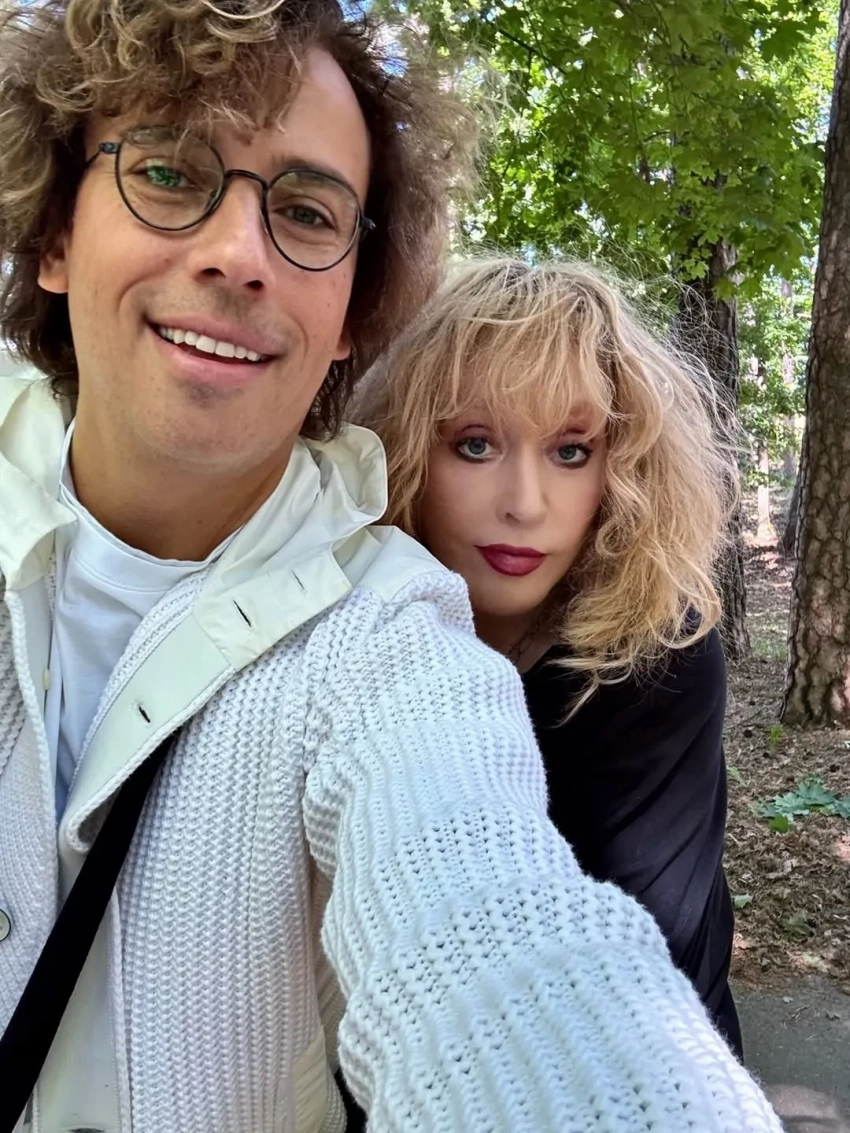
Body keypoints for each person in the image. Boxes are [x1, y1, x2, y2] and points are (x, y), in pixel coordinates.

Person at [0, 1, 781, 1129]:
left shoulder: (393, 642)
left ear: (353, 309)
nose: (238, 252)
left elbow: (500, 942)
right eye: (168, 174)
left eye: (306, 211)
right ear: (53, 237)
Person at [357, 256, 744, 1057]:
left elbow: (635, 972)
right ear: (405, 447)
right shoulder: (358, 637)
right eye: (474, 444)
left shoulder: (657, 650)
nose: (525, 504)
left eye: (570, 451)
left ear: (621, 465)